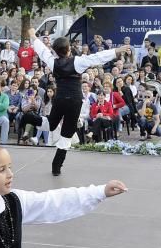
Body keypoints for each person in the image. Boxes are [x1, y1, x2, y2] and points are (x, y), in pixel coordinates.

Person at [27, 27, 128, 176]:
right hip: (74, 101)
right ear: (69, 50)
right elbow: (97, 57)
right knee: (66, 136)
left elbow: (42, 50)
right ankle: (56, 167)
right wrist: (117, 51)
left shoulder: (52, 61)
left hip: (60, 99)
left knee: (50, 124)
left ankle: (28, 117)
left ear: (55, 51)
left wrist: (32, 36)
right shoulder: (78, 61)